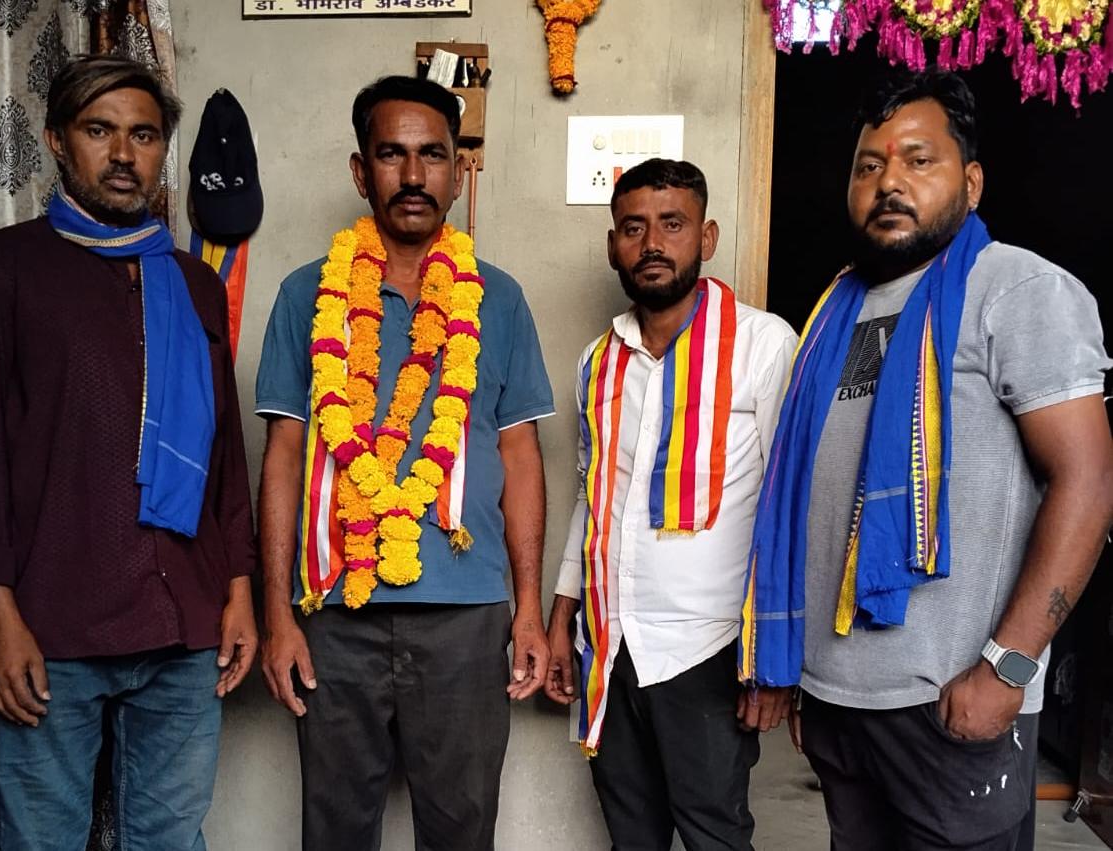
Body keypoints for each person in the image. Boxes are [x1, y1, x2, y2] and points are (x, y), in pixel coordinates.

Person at [741, 69, 1113, 850]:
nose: (889, 183)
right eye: (869, 165)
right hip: (838, 700)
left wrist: (1008, 666)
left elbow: (1088, 480)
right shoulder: (832, 310)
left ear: (970, 182)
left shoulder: (1016, 289)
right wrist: (808, 680)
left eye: (918, 160)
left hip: (954, 697)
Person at [0, 55, 257, 850]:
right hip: (53, 626)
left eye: (143, 135)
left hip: (183, 624)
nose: (122, 154)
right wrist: (1, 619)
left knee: (171, 841)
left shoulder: (194, 284)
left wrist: (239, 591)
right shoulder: (0, 271)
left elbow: (224, 456)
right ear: (56, 139)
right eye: (99, 130)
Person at [254, 75, 555, 850]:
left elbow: (519, 455)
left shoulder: (499, 299)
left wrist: (527, 606)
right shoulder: (305, 295)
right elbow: (284, 455)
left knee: (461, 832)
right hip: (335, 612)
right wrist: (277, 613)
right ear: (362, 172)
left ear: (460, 172)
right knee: (335, 832)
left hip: (467, 616)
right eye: (392, 154)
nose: (414, 175)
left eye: (433, 155)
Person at [543, 158, 797, 851]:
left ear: (706, 237)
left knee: (715, 835)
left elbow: (789, 508)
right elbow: (593, 497)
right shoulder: (597, 362)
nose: (652, 243)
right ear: (613, 246)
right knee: (631, 836)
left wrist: (774, 659)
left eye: (672, 224)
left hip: (707, 648)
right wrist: (563, 618)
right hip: (610, 643)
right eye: (633, 228)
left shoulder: (762, 344)